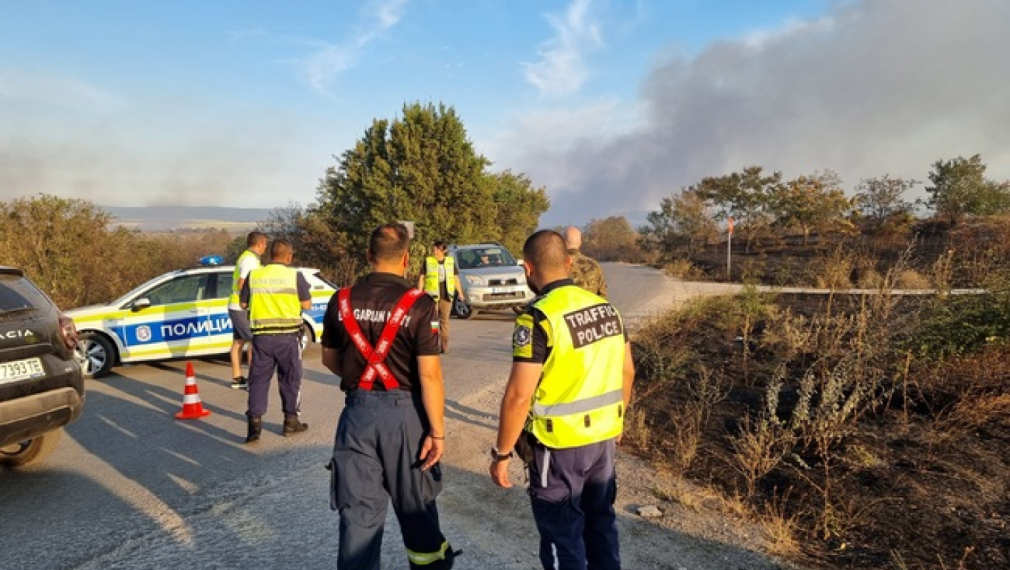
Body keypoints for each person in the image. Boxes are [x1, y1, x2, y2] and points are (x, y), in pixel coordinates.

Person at [489, 229, 635, 570]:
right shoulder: (608, 309)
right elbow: (627, 372)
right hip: (603, 441)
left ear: (527, 269)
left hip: (559, 447)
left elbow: (519, 394)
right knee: (601, 525)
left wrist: (502, 452)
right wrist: (617, 421)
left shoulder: (537, 316)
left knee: (561, 535)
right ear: (569, 263)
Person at [323, 223, 459, 570]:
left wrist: (361, 379)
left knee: (359, 520)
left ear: (368, 256)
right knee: (417, 513)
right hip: (406, 419)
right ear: (407, 258)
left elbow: (329, 359)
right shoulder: (420, 304)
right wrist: (437, 431)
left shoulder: (341, 300)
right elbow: (430, 375)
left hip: (357, 415)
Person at [239, 238, 312, 443]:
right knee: (291, 380)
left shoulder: (255, 275)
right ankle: (290, 422)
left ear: (271, 255)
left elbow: (243, 303)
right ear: (289, 256)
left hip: (262, 338)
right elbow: (306, 305)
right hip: (288, 338)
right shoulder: (294, 275)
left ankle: (254, 429)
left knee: (258, 381)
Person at [228, 231, 268, 389]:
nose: (265, 247)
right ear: (259, 244)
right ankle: (254, 380)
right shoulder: (250, 260)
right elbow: (241, 283)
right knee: (255, 341)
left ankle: (237, 378)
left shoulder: (247, 257)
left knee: (238, 342)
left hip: (236, 305)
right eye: (265, 244)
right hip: (241, 306)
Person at [417, 240, 464, 353]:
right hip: (432, 297)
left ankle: (444, 344)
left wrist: (460, 293)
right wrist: (419, 293)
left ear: (444, 251)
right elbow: (422, 278)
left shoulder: (449, 262)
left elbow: (455, 278)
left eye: (438, 249)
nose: (435, 251)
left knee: (445, 321)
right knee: (433, 321)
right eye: (434, 249)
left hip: (446, 296)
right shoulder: (428, 261)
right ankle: (433, 343)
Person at [564, 225, 608, 298]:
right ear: (580, 243)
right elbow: (602, 294)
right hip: (592, 307)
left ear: (563, 242)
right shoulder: (594, 265)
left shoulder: (557, 265)